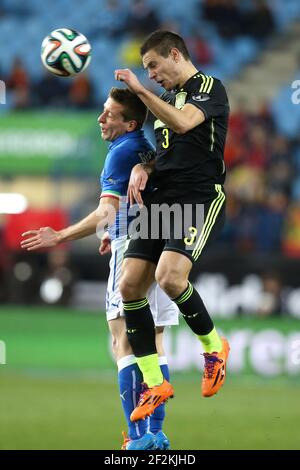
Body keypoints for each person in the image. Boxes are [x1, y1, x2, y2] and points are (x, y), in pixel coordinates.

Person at [20, 87, 178, 450]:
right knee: (153, 340)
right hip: (162, 243)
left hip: (133, 249)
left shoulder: (120, 153)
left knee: (122, 339)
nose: (100, 118)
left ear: (130, 123)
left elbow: (105, 212)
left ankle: (137, 438)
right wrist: (117, 226)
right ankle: (156, 432)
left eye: (109, 114)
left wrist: (60, 235)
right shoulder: (146, 149)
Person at [114, 30, 230, 422]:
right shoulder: (164, 100)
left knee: (169, 277)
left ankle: (214, 346)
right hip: (160, 198)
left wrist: (137, 90)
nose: (151, 76)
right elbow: (167, 152)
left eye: (153, 67)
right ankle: (154, 381)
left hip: (197, 197)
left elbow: (184, 125)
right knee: (128, 284)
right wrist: (141, 167)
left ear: (175, 54)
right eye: (145, 71)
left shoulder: (210, 88)